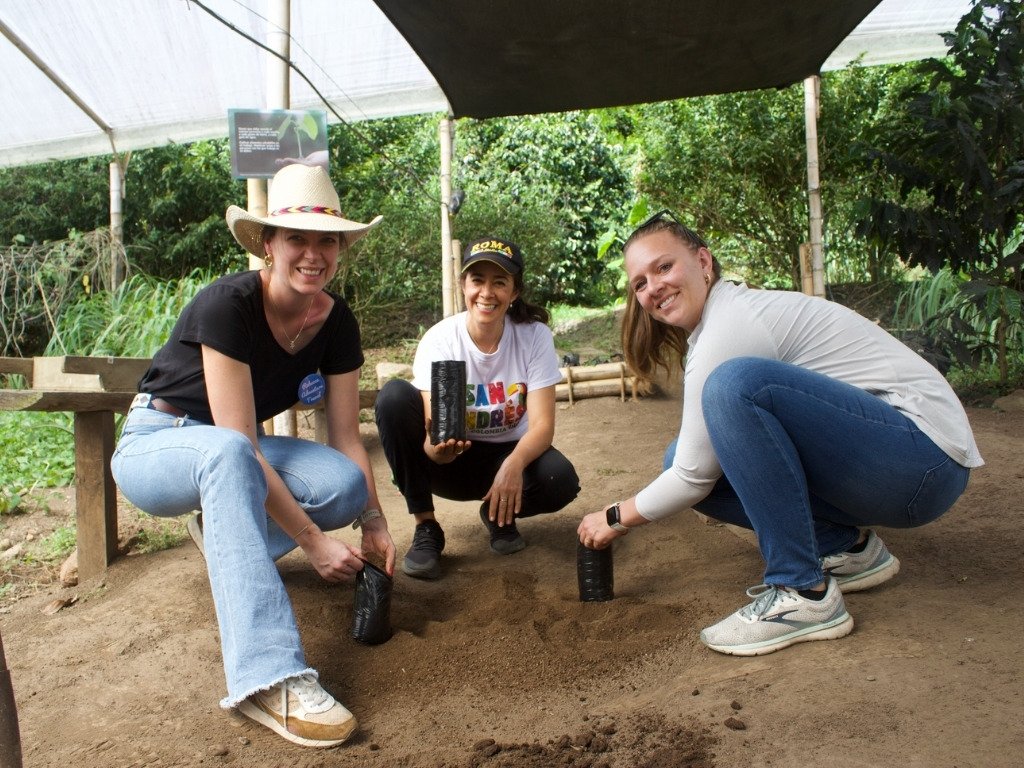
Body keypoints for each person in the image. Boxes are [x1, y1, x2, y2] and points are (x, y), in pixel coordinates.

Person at [578, 210, 983, 657]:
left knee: (732, 387)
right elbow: (694, 468)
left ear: (703, 262)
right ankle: (848, 550)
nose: (653, 287)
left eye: (664, 267)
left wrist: (613, 517)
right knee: (686, 455)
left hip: (923, 459)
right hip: (898, 466)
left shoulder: (733, 321)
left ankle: (803, 591)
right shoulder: (718, 323)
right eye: (640, 283)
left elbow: (691, 478)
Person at [111, 163, 396, 748]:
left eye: (327, 240)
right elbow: (235, 441)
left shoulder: (337, 321)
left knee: (343, 485)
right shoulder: (228, 304)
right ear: (268, 244)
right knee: (228, 455)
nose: (313, 254)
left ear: (341, 249)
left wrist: (374, 521)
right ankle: (267, 676)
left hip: (235, 448)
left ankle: (224, 532)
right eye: (297, 238)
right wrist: (312, 542)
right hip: (158, 442)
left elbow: (346, 436)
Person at [374, 237, 580, 580]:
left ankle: (499, 514)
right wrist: (438, 451)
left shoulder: (534, 337)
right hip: (450, 463)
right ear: (463, 286)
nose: (487, 292)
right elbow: (435, 435)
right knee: (393, 396)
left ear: (514, 292)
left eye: (499, 282)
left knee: (560, 479)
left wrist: (514, 465)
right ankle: (426, 526)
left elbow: (543, 427)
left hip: (508, 455)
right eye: (477, 280)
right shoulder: (441, 340)